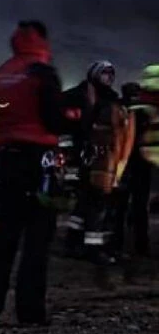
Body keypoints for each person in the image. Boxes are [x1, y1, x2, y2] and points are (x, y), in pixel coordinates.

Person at [0, 20, 66, 327]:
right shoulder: (42, 72)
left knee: (5, 236)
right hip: (39, 161)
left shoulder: (1, 73)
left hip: (6, 160)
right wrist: (77, 114)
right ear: (42, 40)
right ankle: (30, 311)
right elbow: (55, 120)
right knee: (37, 240)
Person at [61, 61, 119, 258]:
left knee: (89, 201)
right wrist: (70, 165)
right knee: (94, 202)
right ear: (94, 75)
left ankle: (74, 241)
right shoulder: (75, 97)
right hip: (80, 158)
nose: (109, 78)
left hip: (102, 159)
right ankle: (91, 247)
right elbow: (65, 132)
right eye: (105, 74)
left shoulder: (111, 99)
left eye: (111, 75)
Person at [113, 81, 152, 275]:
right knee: (135, 207)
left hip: (128, 164)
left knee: (124, 207)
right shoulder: (142, 112)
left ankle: (122, 244)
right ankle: (138, 245)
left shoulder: (122, 109)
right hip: (135, 165)